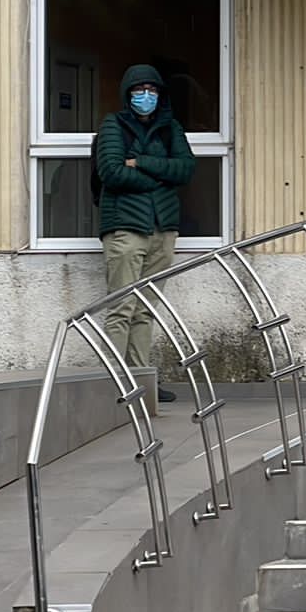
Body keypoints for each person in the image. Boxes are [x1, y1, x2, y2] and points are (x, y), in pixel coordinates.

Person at [97, 64, 196, 403]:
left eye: (152, 90)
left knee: (146, 309)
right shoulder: (113, 124)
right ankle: (114, 385)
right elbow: (111, 172)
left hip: (162, 229)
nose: (146, 95)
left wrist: (141, 162)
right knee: (121, 308)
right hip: (126, 229)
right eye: (139, 90)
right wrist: (161, 178)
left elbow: (186, 169)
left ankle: (142, 382)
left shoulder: (171, 128)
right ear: (128, 94)